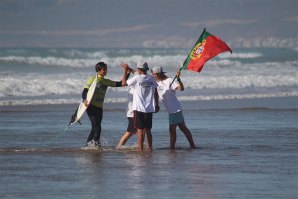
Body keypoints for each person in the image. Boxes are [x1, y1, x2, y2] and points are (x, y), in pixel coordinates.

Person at [82, 62, 128, 147]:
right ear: (99, 70)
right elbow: (85, 91)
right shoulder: (93, 79)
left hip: (99, 108)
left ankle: (87, 146)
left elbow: (121, 83)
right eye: (104, 69)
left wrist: (126, 72)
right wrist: (84, 100)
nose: (106, 71)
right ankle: (97, 146)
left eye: (106, 69)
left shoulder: (106, 81)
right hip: (91, 106)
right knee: (97, 127)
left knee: (94, 128)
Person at [151, 66, 196, 149]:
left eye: (153, 74)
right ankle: (191, 146)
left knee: (173, 130)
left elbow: (181, 89)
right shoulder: (156, 83)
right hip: (171, 110)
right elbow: (155, 94)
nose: (152, 75)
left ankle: (172, 148)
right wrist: (156, 105)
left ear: (158, 74)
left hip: (175, 109)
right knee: (182, 128)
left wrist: (178, 79)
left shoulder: (169, 81)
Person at [122, 62, 159, 151]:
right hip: (149, 108)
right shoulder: (152, 78)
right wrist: (157, 105)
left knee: (139, 130)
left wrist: (125, 71)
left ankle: (140, 149)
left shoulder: (136, 78)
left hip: (139, 108)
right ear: (146, 69)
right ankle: (150, 148)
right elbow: (156, 93)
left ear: (139, 69)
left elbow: (123, 83)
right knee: (148, 130)